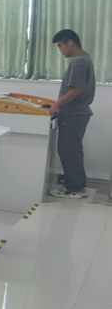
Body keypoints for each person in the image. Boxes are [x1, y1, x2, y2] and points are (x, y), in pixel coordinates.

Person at [48, 29, 95, 199]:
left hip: (73, 113)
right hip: (77, 112)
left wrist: (57, 104)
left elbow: (77, 89)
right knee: (73, 149)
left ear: (70, 43)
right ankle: (77, 184)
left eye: (60, 46)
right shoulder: (85, 58)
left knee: (68, 150)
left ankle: (74, 188)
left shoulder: (78, 62)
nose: (60, 50)